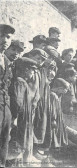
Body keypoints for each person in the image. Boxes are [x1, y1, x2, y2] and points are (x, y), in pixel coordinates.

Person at [11, 57, 38, 165]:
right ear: (26, 70)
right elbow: (18, 101)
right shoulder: (20, 82)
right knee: (19, 139)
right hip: (21, 117)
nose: (34, 73)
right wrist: (16, 116)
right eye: (32, 70)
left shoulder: (23, 82)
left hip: (24, 116)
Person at [0, 24, 15, 167]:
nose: (5, 40)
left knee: (4, 142)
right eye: (1, 36)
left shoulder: (7, 61)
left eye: (8, 37)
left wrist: (9, 112)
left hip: (5, 108)